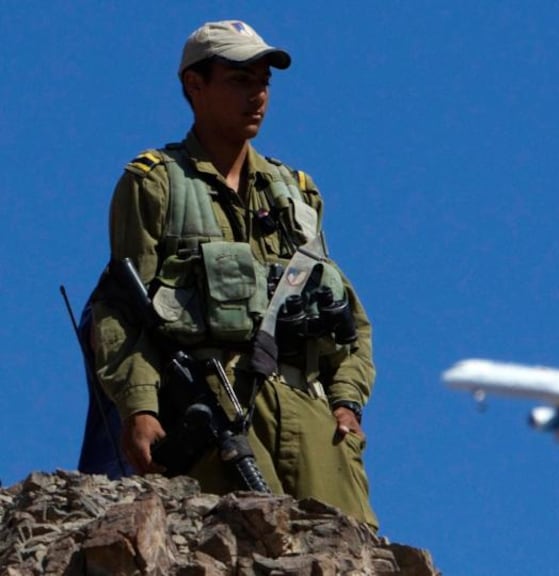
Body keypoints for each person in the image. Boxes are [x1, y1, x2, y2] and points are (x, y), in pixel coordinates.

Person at [88, 20, 377, 528]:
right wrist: (140, 407)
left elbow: (348, 318)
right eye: (240, 81)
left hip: (311, 418)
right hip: (215, 412)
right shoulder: (155, 184)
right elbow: (120, 310)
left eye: (264, 82)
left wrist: (347, 404)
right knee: (233, 544)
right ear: (194, 85)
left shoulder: (295, 192)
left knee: (350, 551)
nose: (257, 95)